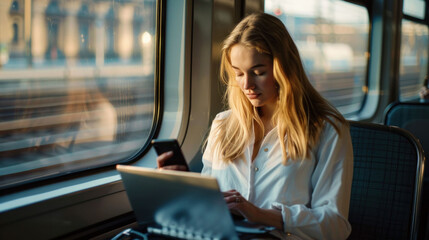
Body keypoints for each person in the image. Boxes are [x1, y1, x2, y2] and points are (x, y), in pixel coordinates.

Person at [157, 12, 353, 240]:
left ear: (284, 68)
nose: (247, 84)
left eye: (258, 72)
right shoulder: (223, 124)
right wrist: (185, 189)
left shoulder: (327, 129)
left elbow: (335, 225)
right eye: (238, 74)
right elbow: (211, 208)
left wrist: (259, 214)